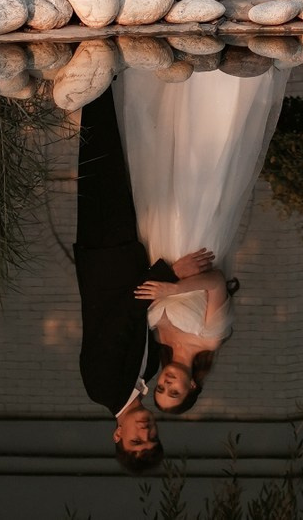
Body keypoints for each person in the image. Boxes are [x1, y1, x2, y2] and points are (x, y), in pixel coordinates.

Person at [118, 51, 290, 413]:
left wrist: (161, 278)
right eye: (175, 391)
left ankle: (169, 61)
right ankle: (224, 78)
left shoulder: (157, 342)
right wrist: (172, 287)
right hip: (197, 241)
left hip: (158, 242)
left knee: (161, 153)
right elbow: (214, 282)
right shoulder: (212, 337)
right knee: (202, 162)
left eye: (161, 389)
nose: (166, 383)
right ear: (193, 386)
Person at [73, 81, 176, 470]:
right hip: (128, 259)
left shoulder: (101, 387)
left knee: (102, 162)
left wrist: (168, 276)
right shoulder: (148, 374)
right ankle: (116, 81)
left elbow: (119, 319)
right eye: (152, 437)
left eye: (137, 440)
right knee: (127, 162)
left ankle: (95, 85)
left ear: (118, 436)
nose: (147, 431)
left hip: (106, 257)